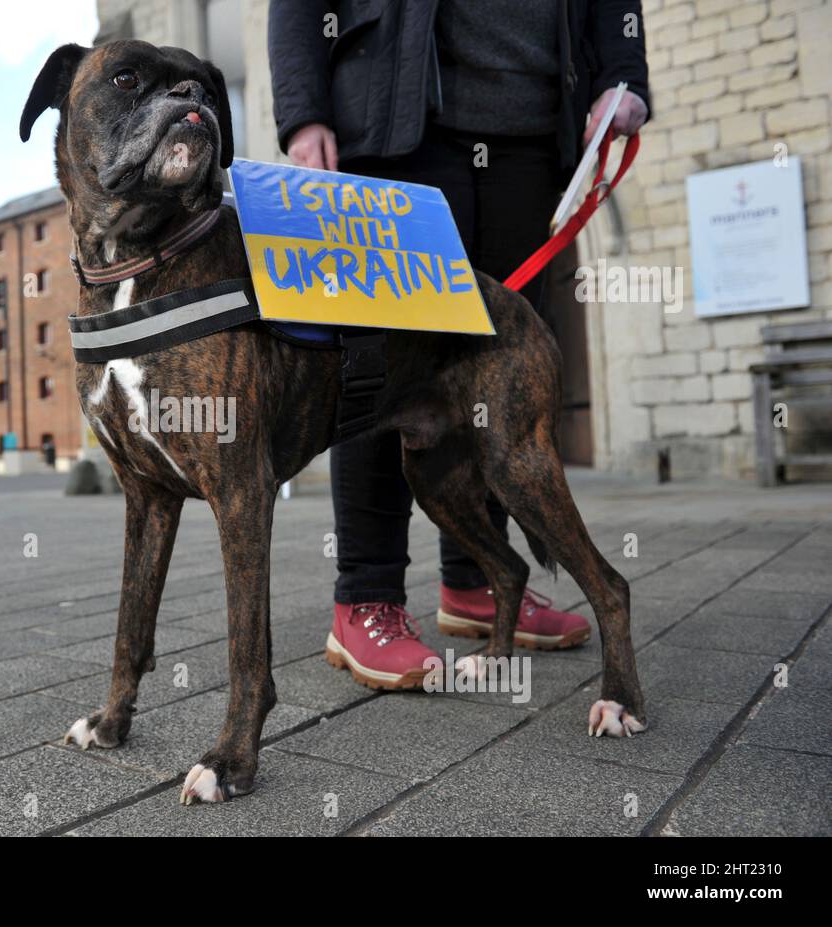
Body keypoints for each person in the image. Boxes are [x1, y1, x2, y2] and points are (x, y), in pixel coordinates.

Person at [269, 0, 650, 687]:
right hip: (394, 121)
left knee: (498, 382)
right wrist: (303, 110)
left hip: (532, 135)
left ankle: (477, 582)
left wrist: (624, 73)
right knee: (378, 368)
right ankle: (367, 596)